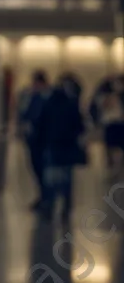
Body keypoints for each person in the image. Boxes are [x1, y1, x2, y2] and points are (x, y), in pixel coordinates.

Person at [34, 72, 86, 222]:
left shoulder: (48, 103)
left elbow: (40, 125)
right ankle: (66, 209)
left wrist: (39, 143)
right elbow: (79, 126)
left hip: (52, 147)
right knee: (67, 180)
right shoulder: (72, 104)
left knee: (50, 179)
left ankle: (49, 207)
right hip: (68, 148)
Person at [17, 70, 50, 208]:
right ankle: (43, 197)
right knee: (37, 169)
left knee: (43, 170)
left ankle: (47, 198)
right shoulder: (33, 97)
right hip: (33, 140)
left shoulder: (46, 98)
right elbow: (25, 113)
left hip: (42, 140)